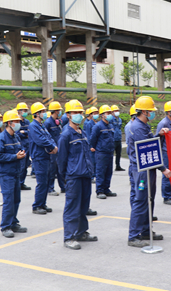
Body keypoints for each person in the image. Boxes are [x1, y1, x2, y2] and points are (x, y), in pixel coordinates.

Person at [127, 96, 171, 247]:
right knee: (140, 201)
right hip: (142, 170)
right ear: (144, 111)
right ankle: (133, 236)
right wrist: (163, 169)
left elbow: (150, 143)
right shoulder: (138, 127)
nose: (152, 114)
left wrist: (158, 136)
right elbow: (148, 151)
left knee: (149, 200)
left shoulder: (143, 125)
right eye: (151, 111)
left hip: (147, 169)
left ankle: (146, 230)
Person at [57, 100, 98, 250]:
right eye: (75, 113)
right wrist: (65, 177)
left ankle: (81, 232)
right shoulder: (66, 135)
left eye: (80, 113)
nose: (79, 115)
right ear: (68, 115)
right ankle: (69, 237)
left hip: (85, 175)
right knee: (72, 207)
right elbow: (61, 160)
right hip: (74, 176)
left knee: (83, 206)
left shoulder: (83, 132)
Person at [0, 110, 27, 238]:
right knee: (8, 200)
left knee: (16, 199)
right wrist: (15, 156)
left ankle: (13, 222)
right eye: (16, 121)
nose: (18, 124)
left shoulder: (16, 136)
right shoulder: (1, 138)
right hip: (6, 173)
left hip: (15, 172)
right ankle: (5, 226)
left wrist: (21, 154)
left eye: (19, 121)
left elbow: (19, 150)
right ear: (9, 123)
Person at [29, 102, 58, 215]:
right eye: (42, 112)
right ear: (37, 113)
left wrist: (54, 146)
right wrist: (52, 147)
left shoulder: (41, 125)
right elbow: (40, 140)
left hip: (46, 156)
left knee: (45, 181)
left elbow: (49, 137)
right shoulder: (33, 126)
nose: (45, 113)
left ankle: (42, 203)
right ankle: (37, 206)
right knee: (41, 182)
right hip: (39, 157)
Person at [155, 101, 171, 206]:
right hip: (166, 152)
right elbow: (158, 139)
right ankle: (167, 196)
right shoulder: (163, 123)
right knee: (167, 173)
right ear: (168, 112)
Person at [89, 104, 116, 199]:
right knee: (100, 171)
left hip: (109, 152)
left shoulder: (111, 125)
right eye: (107, 113)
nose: (109, 115)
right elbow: (93, 139)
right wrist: (94, 147)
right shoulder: (98, 126)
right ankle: (99, 190)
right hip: (101, 153)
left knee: (109, 171)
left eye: (110, 113)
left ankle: (106, 189)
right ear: (102, 115)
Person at [45, 101, 65, 195]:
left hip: (59, 148)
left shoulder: (58, 122)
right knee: (52, 169)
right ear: (55, 111)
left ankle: (63, 187)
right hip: (52, 150)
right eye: (59, 110)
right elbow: (46, 136)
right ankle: (50, 188)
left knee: (60, 168)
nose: (60, 112)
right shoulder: (48, 123)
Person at [16, 102, 32, 191]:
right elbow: (17, 133)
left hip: (27, 145)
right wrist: (25, 133)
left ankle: (22, 182)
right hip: (21, 145)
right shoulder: (16, 121)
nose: (25, 112)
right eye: (24, 110)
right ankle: (18, 183)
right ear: (19, 111)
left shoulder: (27, 121)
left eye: (26, 110)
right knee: (21, 166)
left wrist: (24, 132)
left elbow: (29, 132)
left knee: (25, 166)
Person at [83, 107, 98, 183]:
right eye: (94, 113)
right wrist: (91, 146)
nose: (96, 115)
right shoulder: (88, 124)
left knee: (96, 161)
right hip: (92, 146)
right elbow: (88, 136)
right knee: (92, 161)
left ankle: (95, 175)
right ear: (91, 114)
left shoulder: (97, 123)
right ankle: (91, 176)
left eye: (97, 113)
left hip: (97, 145)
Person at [110, 104, 124, 171]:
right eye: (115, 111)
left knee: (118, 153)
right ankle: (110, 166)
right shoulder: (111, 119)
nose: (117, 112)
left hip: (118, 138)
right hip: (113, 139)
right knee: (111, 154)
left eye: (117, 110)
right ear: (112, 112)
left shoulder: (119, 119)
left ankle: (118, 166)